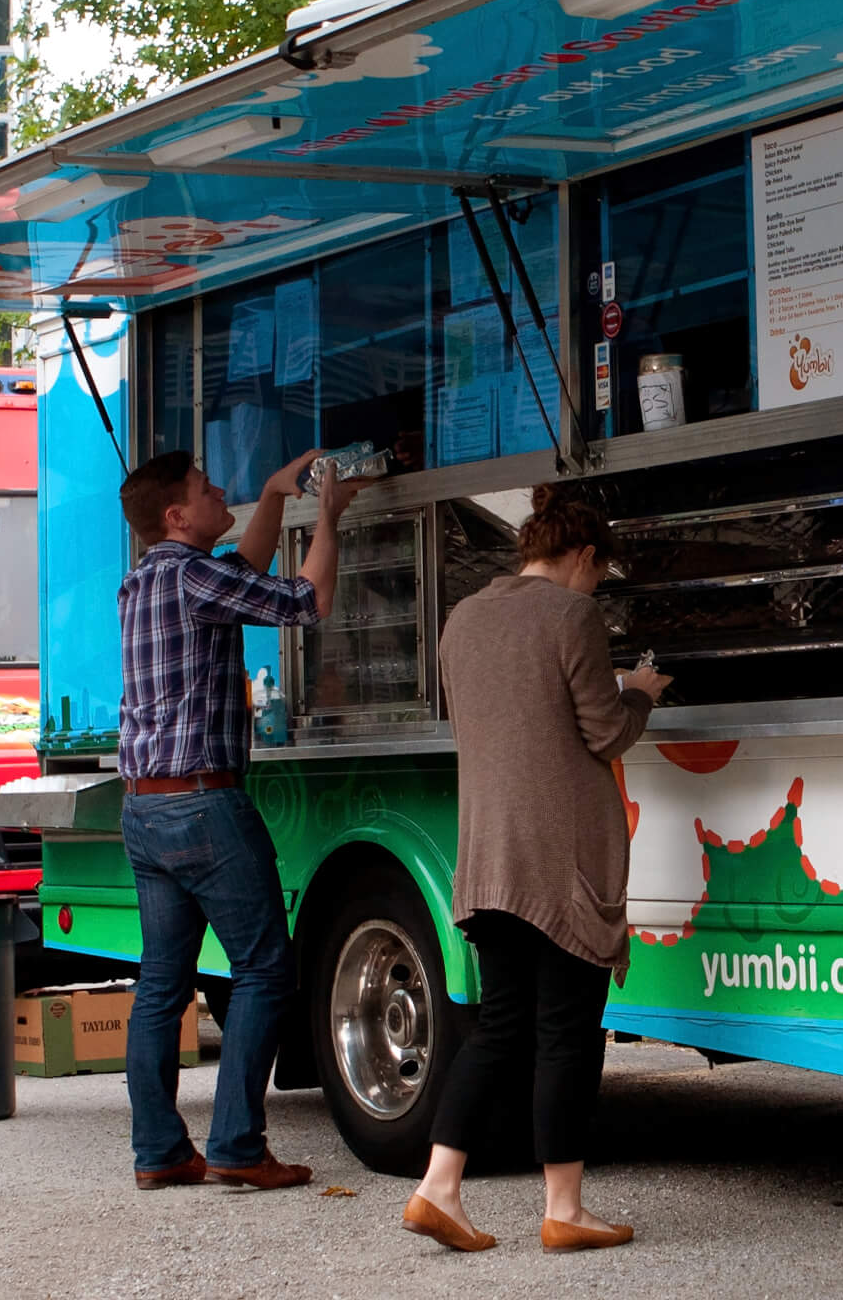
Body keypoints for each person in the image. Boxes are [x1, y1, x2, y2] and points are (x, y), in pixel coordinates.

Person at [402, 485, 670, 1254]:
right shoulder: (571, 616)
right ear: (583, 554)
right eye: (599, 571)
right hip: (560, 860)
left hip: (489, 854)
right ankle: (564, 1209)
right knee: (566, 1036)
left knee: (498, 1029)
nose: (597, 586)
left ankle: (438, 1187)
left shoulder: (464, 616)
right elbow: (604, 732)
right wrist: (639, 693)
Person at [115, 447, 367, 1192]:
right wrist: (327, 516)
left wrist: (269, 496)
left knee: (162, 985)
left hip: (146, 807)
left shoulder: (147, 579)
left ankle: (159, 1153)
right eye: (204, 488)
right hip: (203, 805)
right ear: (176, 515)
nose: (216, 490)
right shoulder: (194, 575)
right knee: (263, 969)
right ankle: (235, 1144)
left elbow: (243, 572)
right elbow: (304, 602)